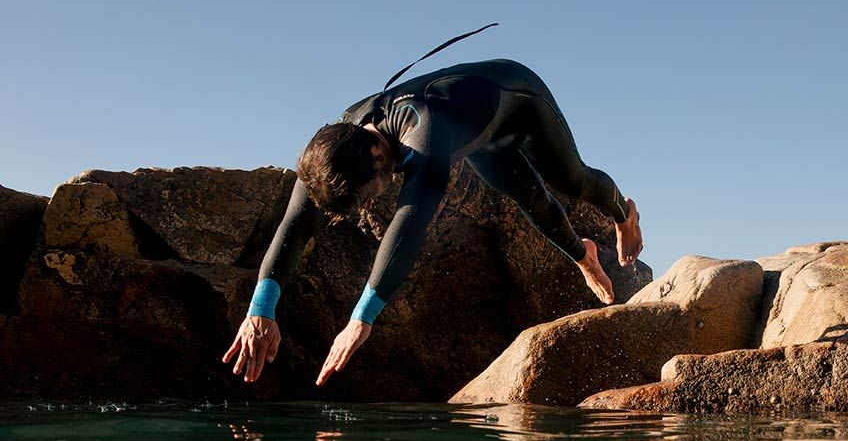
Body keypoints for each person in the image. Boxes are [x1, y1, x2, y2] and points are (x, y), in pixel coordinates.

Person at [223, 57, 643, 385]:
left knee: (570, 181)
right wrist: (261, 310)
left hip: (518, 99)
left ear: (374, 156)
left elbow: (409, 225)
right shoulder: (334, 147)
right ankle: (583, 256)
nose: (371, 205)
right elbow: (297, 223)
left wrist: (360, 320)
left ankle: (624, 216)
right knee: (529, 198)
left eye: (367, 196)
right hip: (476, 129)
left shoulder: (424, 136)